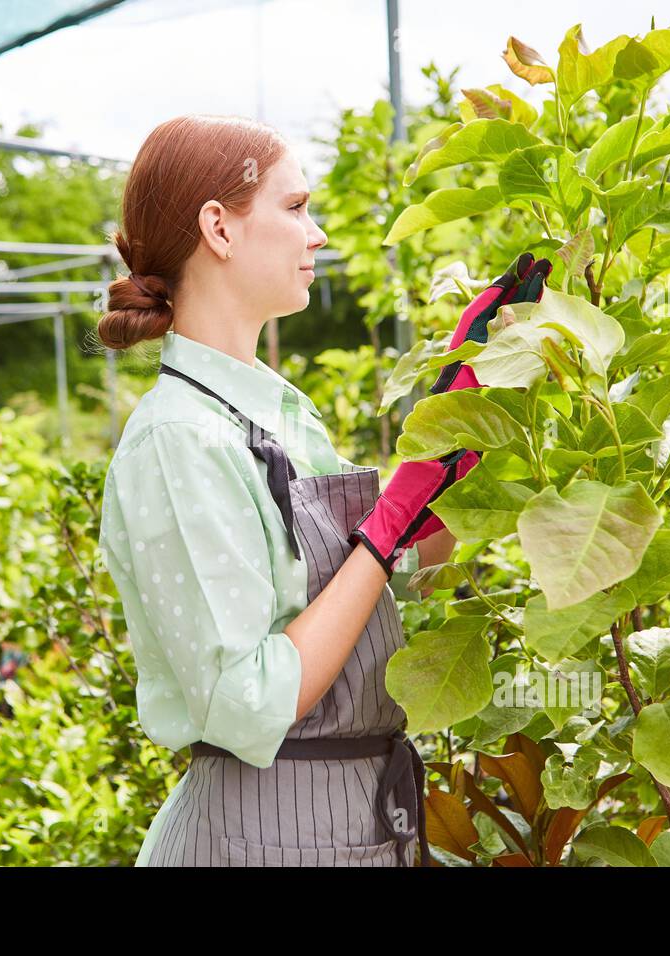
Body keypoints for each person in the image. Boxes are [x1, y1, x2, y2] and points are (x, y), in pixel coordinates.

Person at [96, 113, 548, 867]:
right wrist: (390, 520)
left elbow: (401, 569)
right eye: (297, 207)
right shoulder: (179, 440)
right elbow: (248, 698)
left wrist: (481, 424)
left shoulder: (277, 409)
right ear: (220, 227)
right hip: (266, 836)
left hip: (355, 822)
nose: (319, 234)